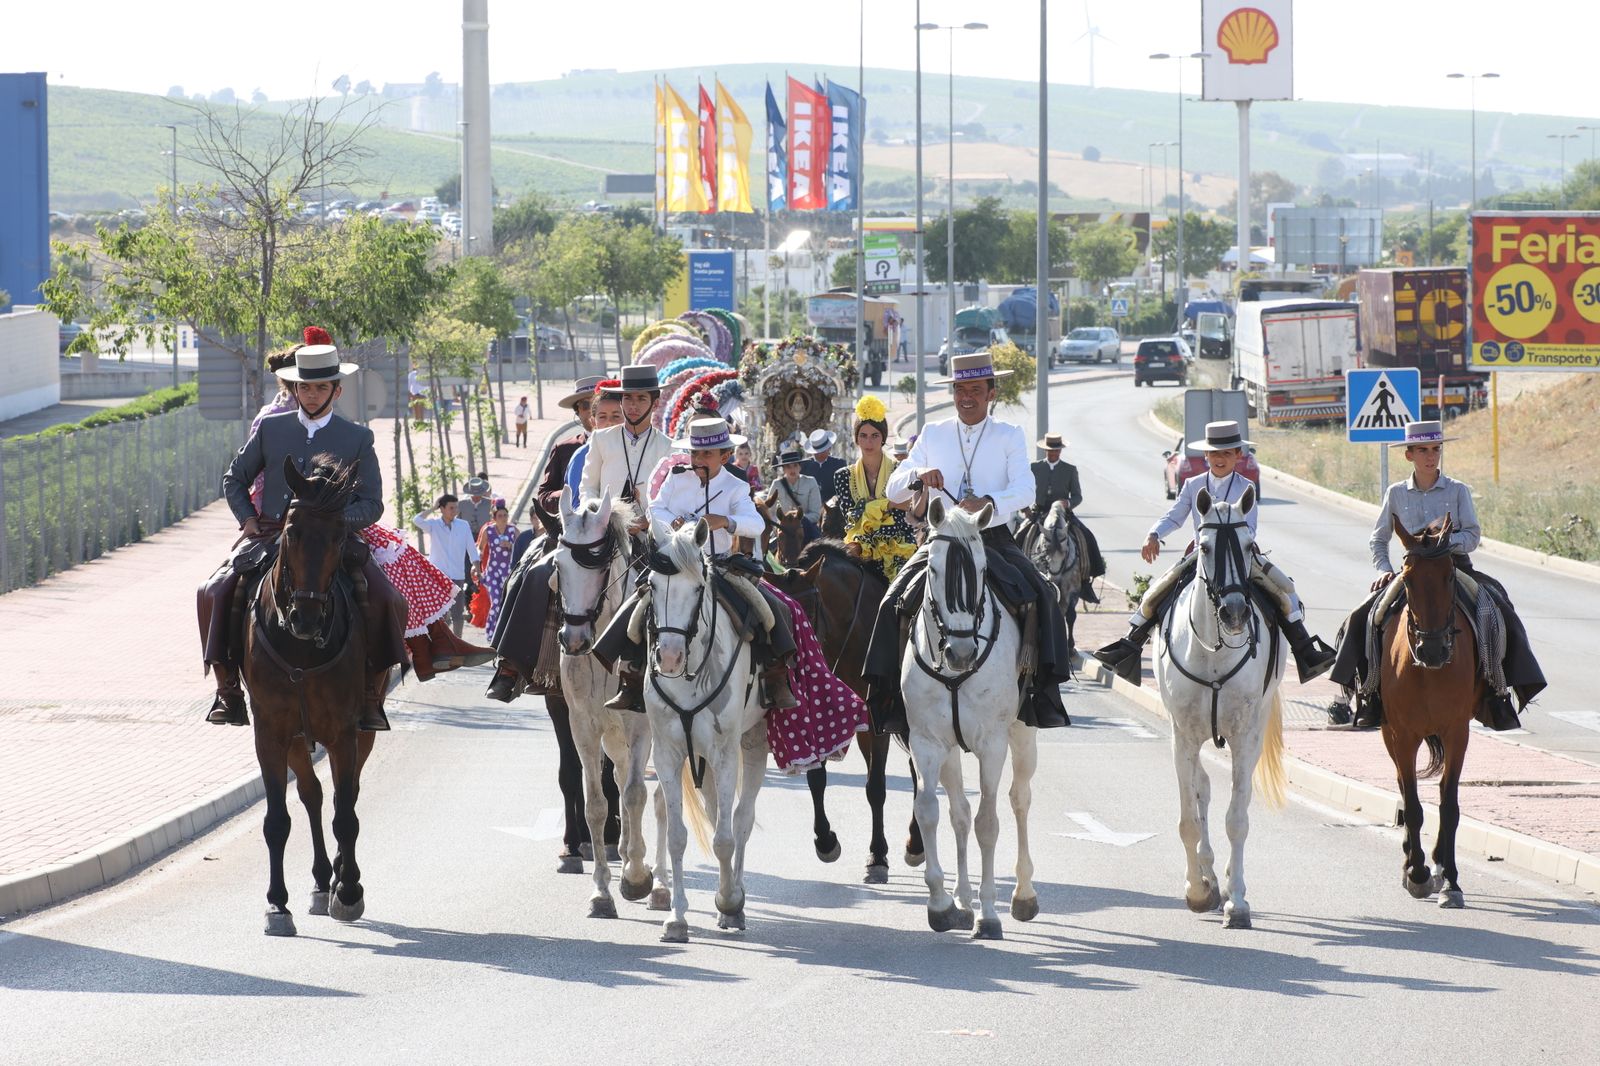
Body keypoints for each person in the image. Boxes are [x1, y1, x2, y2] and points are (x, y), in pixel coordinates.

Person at [197, 337, 407, 732]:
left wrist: (336, 523)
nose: (311, 395)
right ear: (294, 389)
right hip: (274, 533)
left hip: (335, 537)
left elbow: (372, 503)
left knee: (387, 597)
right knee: (213, 591)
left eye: (321, 387)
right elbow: (235, 478)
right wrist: (248, 519)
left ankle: (371, 696)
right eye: (304, 387)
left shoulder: (357, 438)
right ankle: (228, 691)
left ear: (336, 390)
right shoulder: (270, 430)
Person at [861, 351, 1073, 733]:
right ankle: (889, 697)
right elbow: (894, 492)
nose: (966, 397)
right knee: (891, 600)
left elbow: (1026, 490)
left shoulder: (1009, 434)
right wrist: (918, 475)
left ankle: (1041, 693)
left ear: (992, 392)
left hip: (992, 538)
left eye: (975, 389)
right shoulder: (933, 433)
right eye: (960, 389)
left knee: (1042, 594)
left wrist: (990, 501)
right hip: (941, 540)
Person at [1327, 420, 1545, 731]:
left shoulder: (1457, 490)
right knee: (1367, 615)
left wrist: (1442, 545)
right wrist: (1385, 570)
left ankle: (1498, 691)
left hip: (1454, 568)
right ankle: (1369, 692)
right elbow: (1378, 538)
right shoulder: (1396, 493)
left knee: (1494, 608)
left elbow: (1472, 535)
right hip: (1413, 572)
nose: (1431, 457)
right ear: (1409, 456)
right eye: (1423, 451)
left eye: (1436, 450)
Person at [1092, 420, 1337, 686]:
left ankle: (1306, 652)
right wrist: (1154, 534)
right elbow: (1175, 517)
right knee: (1154, 594)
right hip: (1202, 556)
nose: (1220, 459)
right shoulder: (1193, 484)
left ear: (1238, 456)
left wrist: (1233, 542)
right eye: (1215, 454)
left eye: (1227, 453)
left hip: (1241, 555)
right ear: (1206, 455)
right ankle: (1129, 647)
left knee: (1285, 591)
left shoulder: (1247, 486)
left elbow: (1250, 527)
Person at [592, 416, 800, 714]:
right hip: (676, 564)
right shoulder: (677, 478)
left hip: (719, 566)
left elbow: (754, 523)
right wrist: (671, 521)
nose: (699, 459)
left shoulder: (736, 486)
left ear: (725, 456)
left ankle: (776, 676)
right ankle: (632, 676)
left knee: (767, 605)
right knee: (639, 603)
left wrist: (726, 521)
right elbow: (656, 508)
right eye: (695, 453)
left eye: (707, 454)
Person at [832, 394, 916, 581]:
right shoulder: (843, 475)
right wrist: (890, 505)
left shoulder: (899, 470)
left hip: (899, 544)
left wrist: (870, 507)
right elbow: (853, 517)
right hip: (859, 546)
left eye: (875, 436)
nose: (869, 442)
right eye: (863, 436)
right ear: (856, 439)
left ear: (884, 438)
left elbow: (903, 518)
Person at [1024, 431, 1105, 603]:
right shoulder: (1034, 468)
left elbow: (1077, 496)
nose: (1054, 454)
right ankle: (1018, 576)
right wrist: (1026, 509)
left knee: (1087, 537)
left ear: (1060, 451)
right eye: (1051, 451)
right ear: (1045, 451)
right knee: (1018, 536)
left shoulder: (1069, 470)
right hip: (1039, 512)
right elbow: (1023, 490)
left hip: (1063, 514)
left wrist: (1068, 503)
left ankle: (1085, 580)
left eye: (1057, 451)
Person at [580, 363, 673, 511]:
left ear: (655, 404)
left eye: (641, 398)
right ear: (621, 402)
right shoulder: (600, 439)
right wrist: (597, 515)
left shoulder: (668, 447)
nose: (633, 406)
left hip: (651, 530)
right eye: (628, 398)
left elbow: (672, 498)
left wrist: (647, 521)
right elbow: (588, 487)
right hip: (605, 529)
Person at [413, 494, 480, 636]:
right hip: (438, 577)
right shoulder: (433, 525)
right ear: (442, 508)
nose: (454, 510)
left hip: (457, 575)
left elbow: (472, 549)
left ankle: (458, 644)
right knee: (439, 613)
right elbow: (417, 520)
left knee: (457, 614)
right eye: (451, 508)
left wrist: (477, 567)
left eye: (456, 507)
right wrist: (432, 508)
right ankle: (441, 644)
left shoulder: (463, 525)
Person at [562, 379, 622, 511]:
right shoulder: (582, 456)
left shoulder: (635, 449)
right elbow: (576, 505)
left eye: (616, 416)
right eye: (602, 417)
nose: (609, 422)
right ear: (593, 421)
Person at [477, 500, 517, 637]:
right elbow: (480, 548)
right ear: (494, 518)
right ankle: (491, 632)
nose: (504, 518)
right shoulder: (488, 530)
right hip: (492, 571)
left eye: (505, 515)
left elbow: (523, 547)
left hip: (508, 572)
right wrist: (476, 565)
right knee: (495, 602)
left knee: (506, 602)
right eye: (500, 516)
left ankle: (505, 632)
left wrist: (511, 546)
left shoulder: (513, 530)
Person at [767, 446, 823, 539]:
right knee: (767, 551)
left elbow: (815, 514)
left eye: (795, 465)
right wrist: (779, 525)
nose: (792, 470)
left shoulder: (811, 482)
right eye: (788, 467)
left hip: (806, 529)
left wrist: (797, 521)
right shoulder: (777, 484)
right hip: (783, 530)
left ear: (800, 467)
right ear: (783, 469)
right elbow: (769, 512)